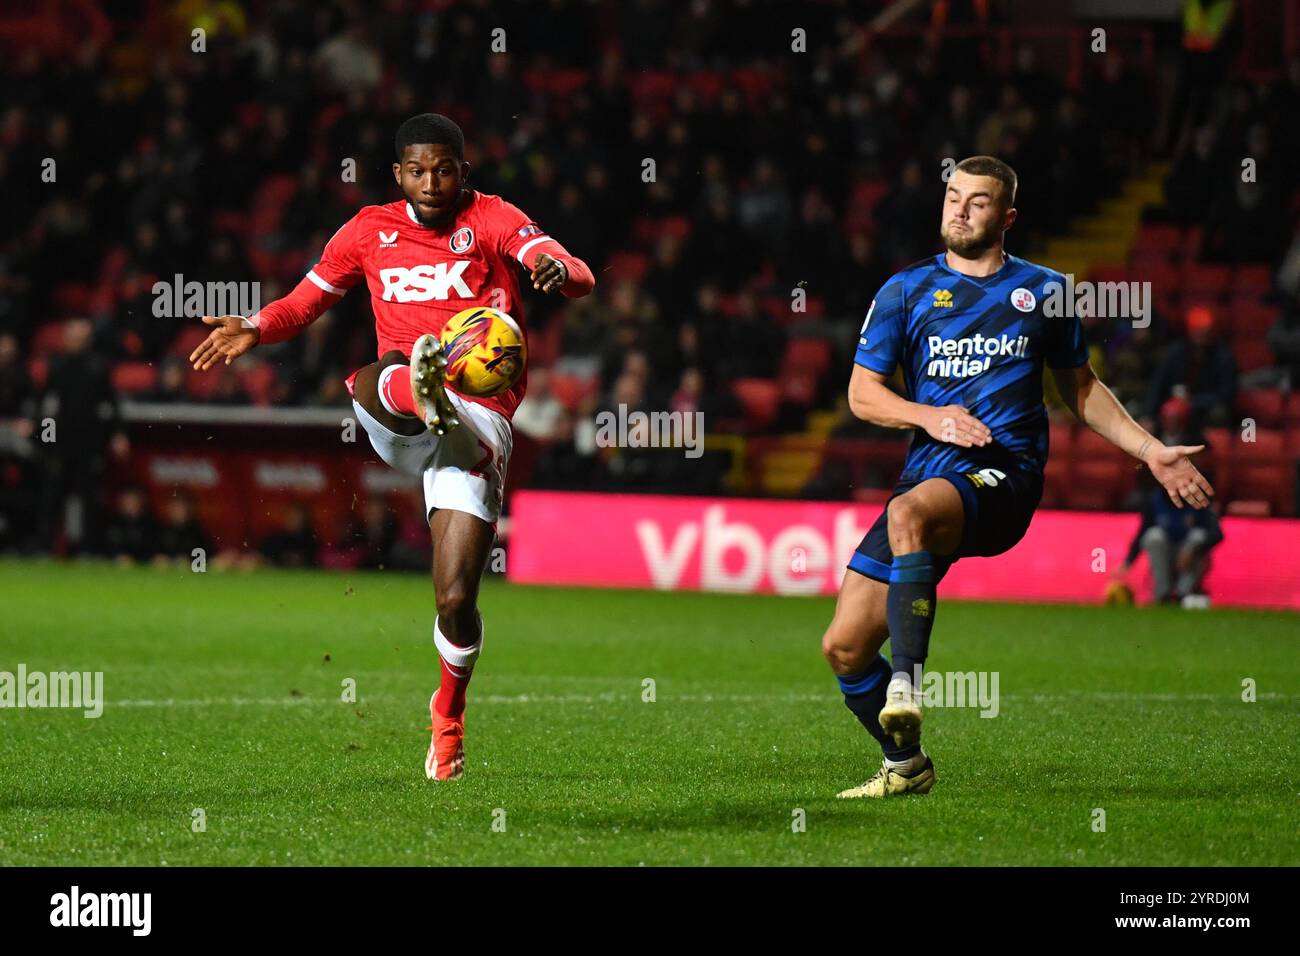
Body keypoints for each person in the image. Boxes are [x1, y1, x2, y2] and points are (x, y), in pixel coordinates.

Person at [189, 114, 594, 780]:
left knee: (455, 600)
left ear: (463, 173)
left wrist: (560, 272)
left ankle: (448, 718)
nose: (431, 182)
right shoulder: (367, 231)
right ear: (398, 174)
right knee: (382, 374)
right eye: (417, 170)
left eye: (444, 169)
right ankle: (420, 388)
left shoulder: (493, 219)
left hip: (479, 416)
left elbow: (575, 273)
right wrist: (255, 327)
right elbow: (303, 303)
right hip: (402, 407)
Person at [820, 156, 1215, 798]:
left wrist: (1150, 451)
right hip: (929, 475)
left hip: (1006, 475)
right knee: (843, 650)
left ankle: (909, 685)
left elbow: (1081, 388)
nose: (959, 209)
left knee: (909, 514)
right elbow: (864, 395)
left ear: (1006, 217)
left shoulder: (1046, 291)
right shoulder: (904, 290)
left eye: (977, 202)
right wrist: (931, 417)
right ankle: (906, 766)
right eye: (952, 196)